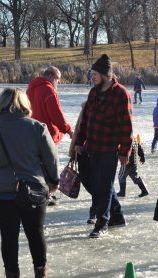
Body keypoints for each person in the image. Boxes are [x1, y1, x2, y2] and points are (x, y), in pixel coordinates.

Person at [0, 88, 59, 278]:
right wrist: (54, 181)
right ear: (24, 104)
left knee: (9, 237)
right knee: (36, 233)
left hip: (3, 192)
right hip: (34, 190)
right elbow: (51, 158)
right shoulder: (37, 127)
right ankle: (41, 277)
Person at [75, 54, 133, 239]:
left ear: (105, 75)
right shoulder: (93, 92)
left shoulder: (121, 94)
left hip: (109, 148)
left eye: (94, 74)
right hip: (91, 147)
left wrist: (125, 152)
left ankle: (102, 223)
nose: (92, 77)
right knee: (93, 183)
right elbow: (86, 120)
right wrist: (79, 142)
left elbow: (126, 126)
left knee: (104, 185)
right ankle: (118, 216)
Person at [26, 66, 73, 206]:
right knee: (48, 166)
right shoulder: (48, 90)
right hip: (47, 135)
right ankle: (46, 194)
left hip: (31, 132)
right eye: (58, 79)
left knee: (36, 165)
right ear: (52, 76)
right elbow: (56, 115)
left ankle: (37, 192)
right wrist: (69, 130)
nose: (58, 83)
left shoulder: (30, 88)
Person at [68, 101, 96, 224]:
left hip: (99, 152)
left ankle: (96, 211)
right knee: (85, 179)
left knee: (100, 185)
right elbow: (79, 129)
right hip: (83, 152)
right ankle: (109, 208)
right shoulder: (86, 109)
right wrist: (77, 145)